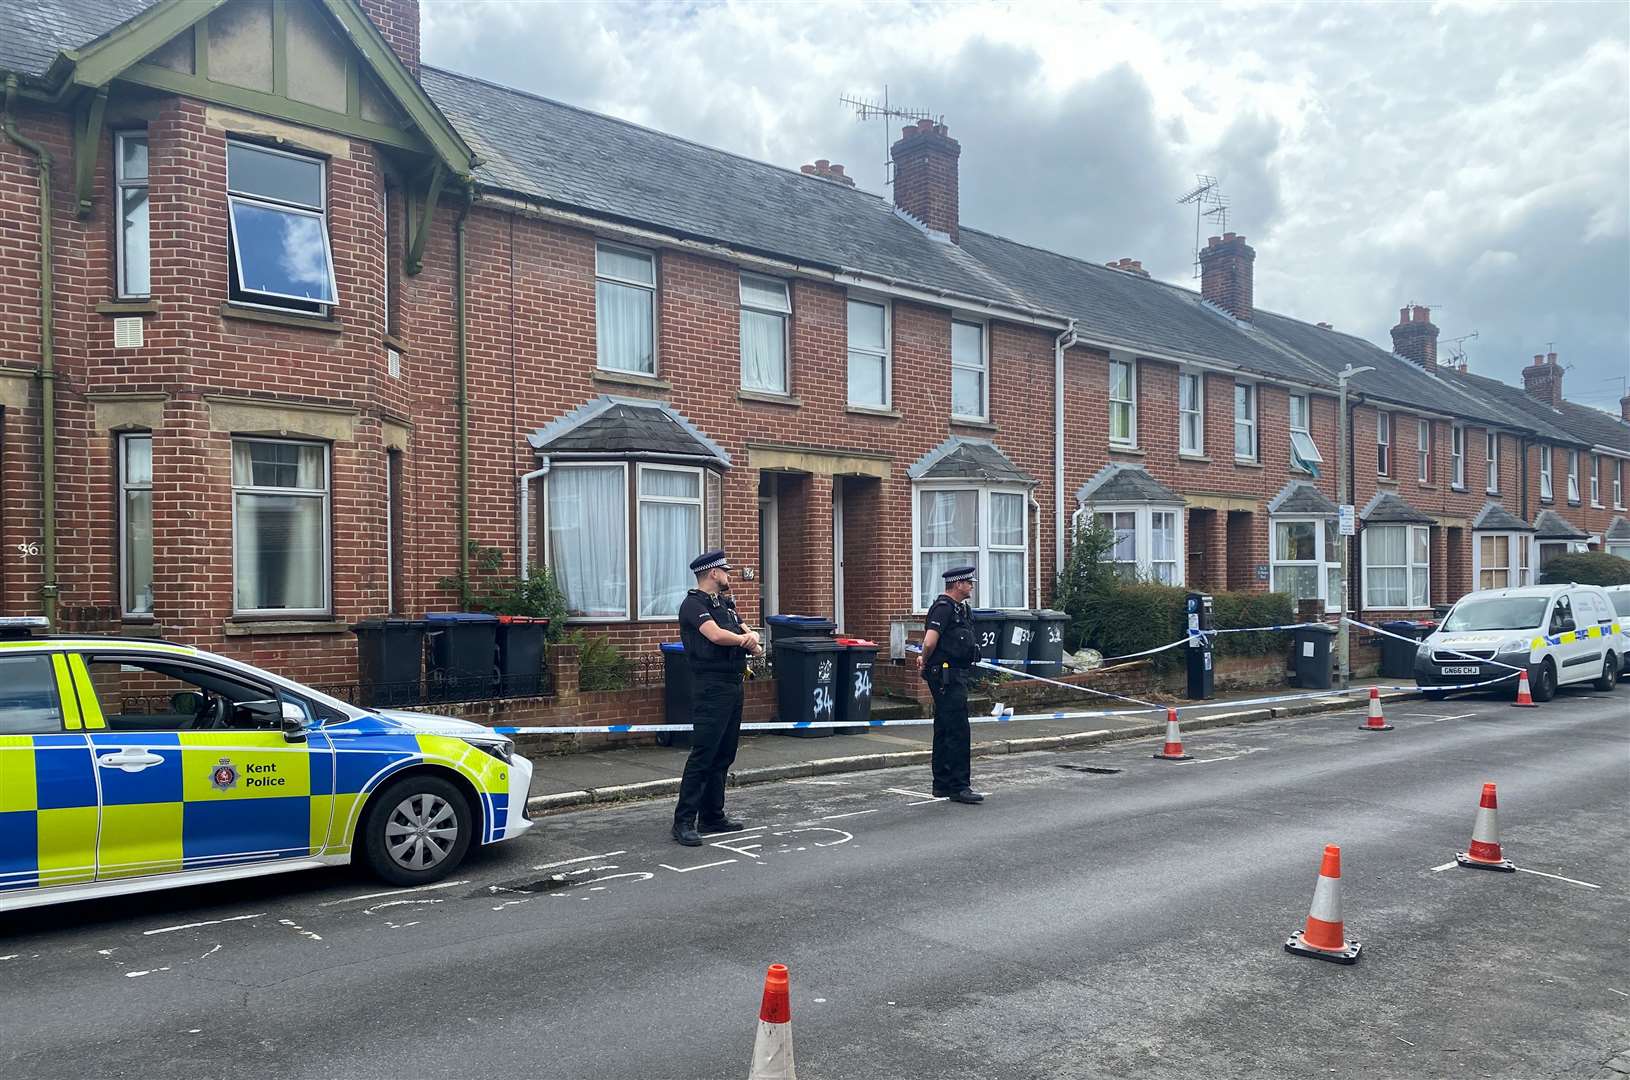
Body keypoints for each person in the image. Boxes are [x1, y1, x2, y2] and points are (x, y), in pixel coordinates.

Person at [672, 549, 764, 846]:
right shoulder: (693, 604)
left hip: (733, 684)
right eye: (725, 570)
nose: (728, 575)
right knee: (704, 754)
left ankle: (712, 816)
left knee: (725, 753)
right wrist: (744, 640)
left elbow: (751, 634)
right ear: (713, 573)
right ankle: (684, 821)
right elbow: (714, 635)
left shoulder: (724, 604)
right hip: (710, 686)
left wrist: (752, 640)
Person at [916, 565, 984, 804]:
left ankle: (942, 783)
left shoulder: (959, 609)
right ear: (957, 584)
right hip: (947, 676)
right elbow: (929, 640)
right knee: (957, 729)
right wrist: (924, 660)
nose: (972, 586)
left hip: (954, 673)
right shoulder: (944, 609)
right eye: (969, 583)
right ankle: (959, 786)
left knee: (945, 727)